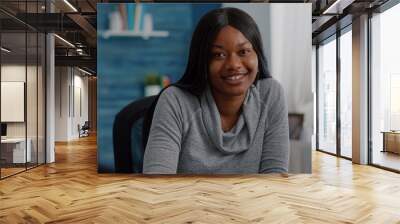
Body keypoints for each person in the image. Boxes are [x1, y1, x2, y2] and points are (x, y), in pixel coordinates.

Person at [142, 7, 289, 174]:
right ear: (202, 61)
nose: (234, 64)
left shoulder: (270, 94)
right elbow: (157, 183)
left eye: (243, 52)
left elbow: (275, 179)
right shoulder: (175, 101)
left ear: (257, 55)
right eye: (218, 55)